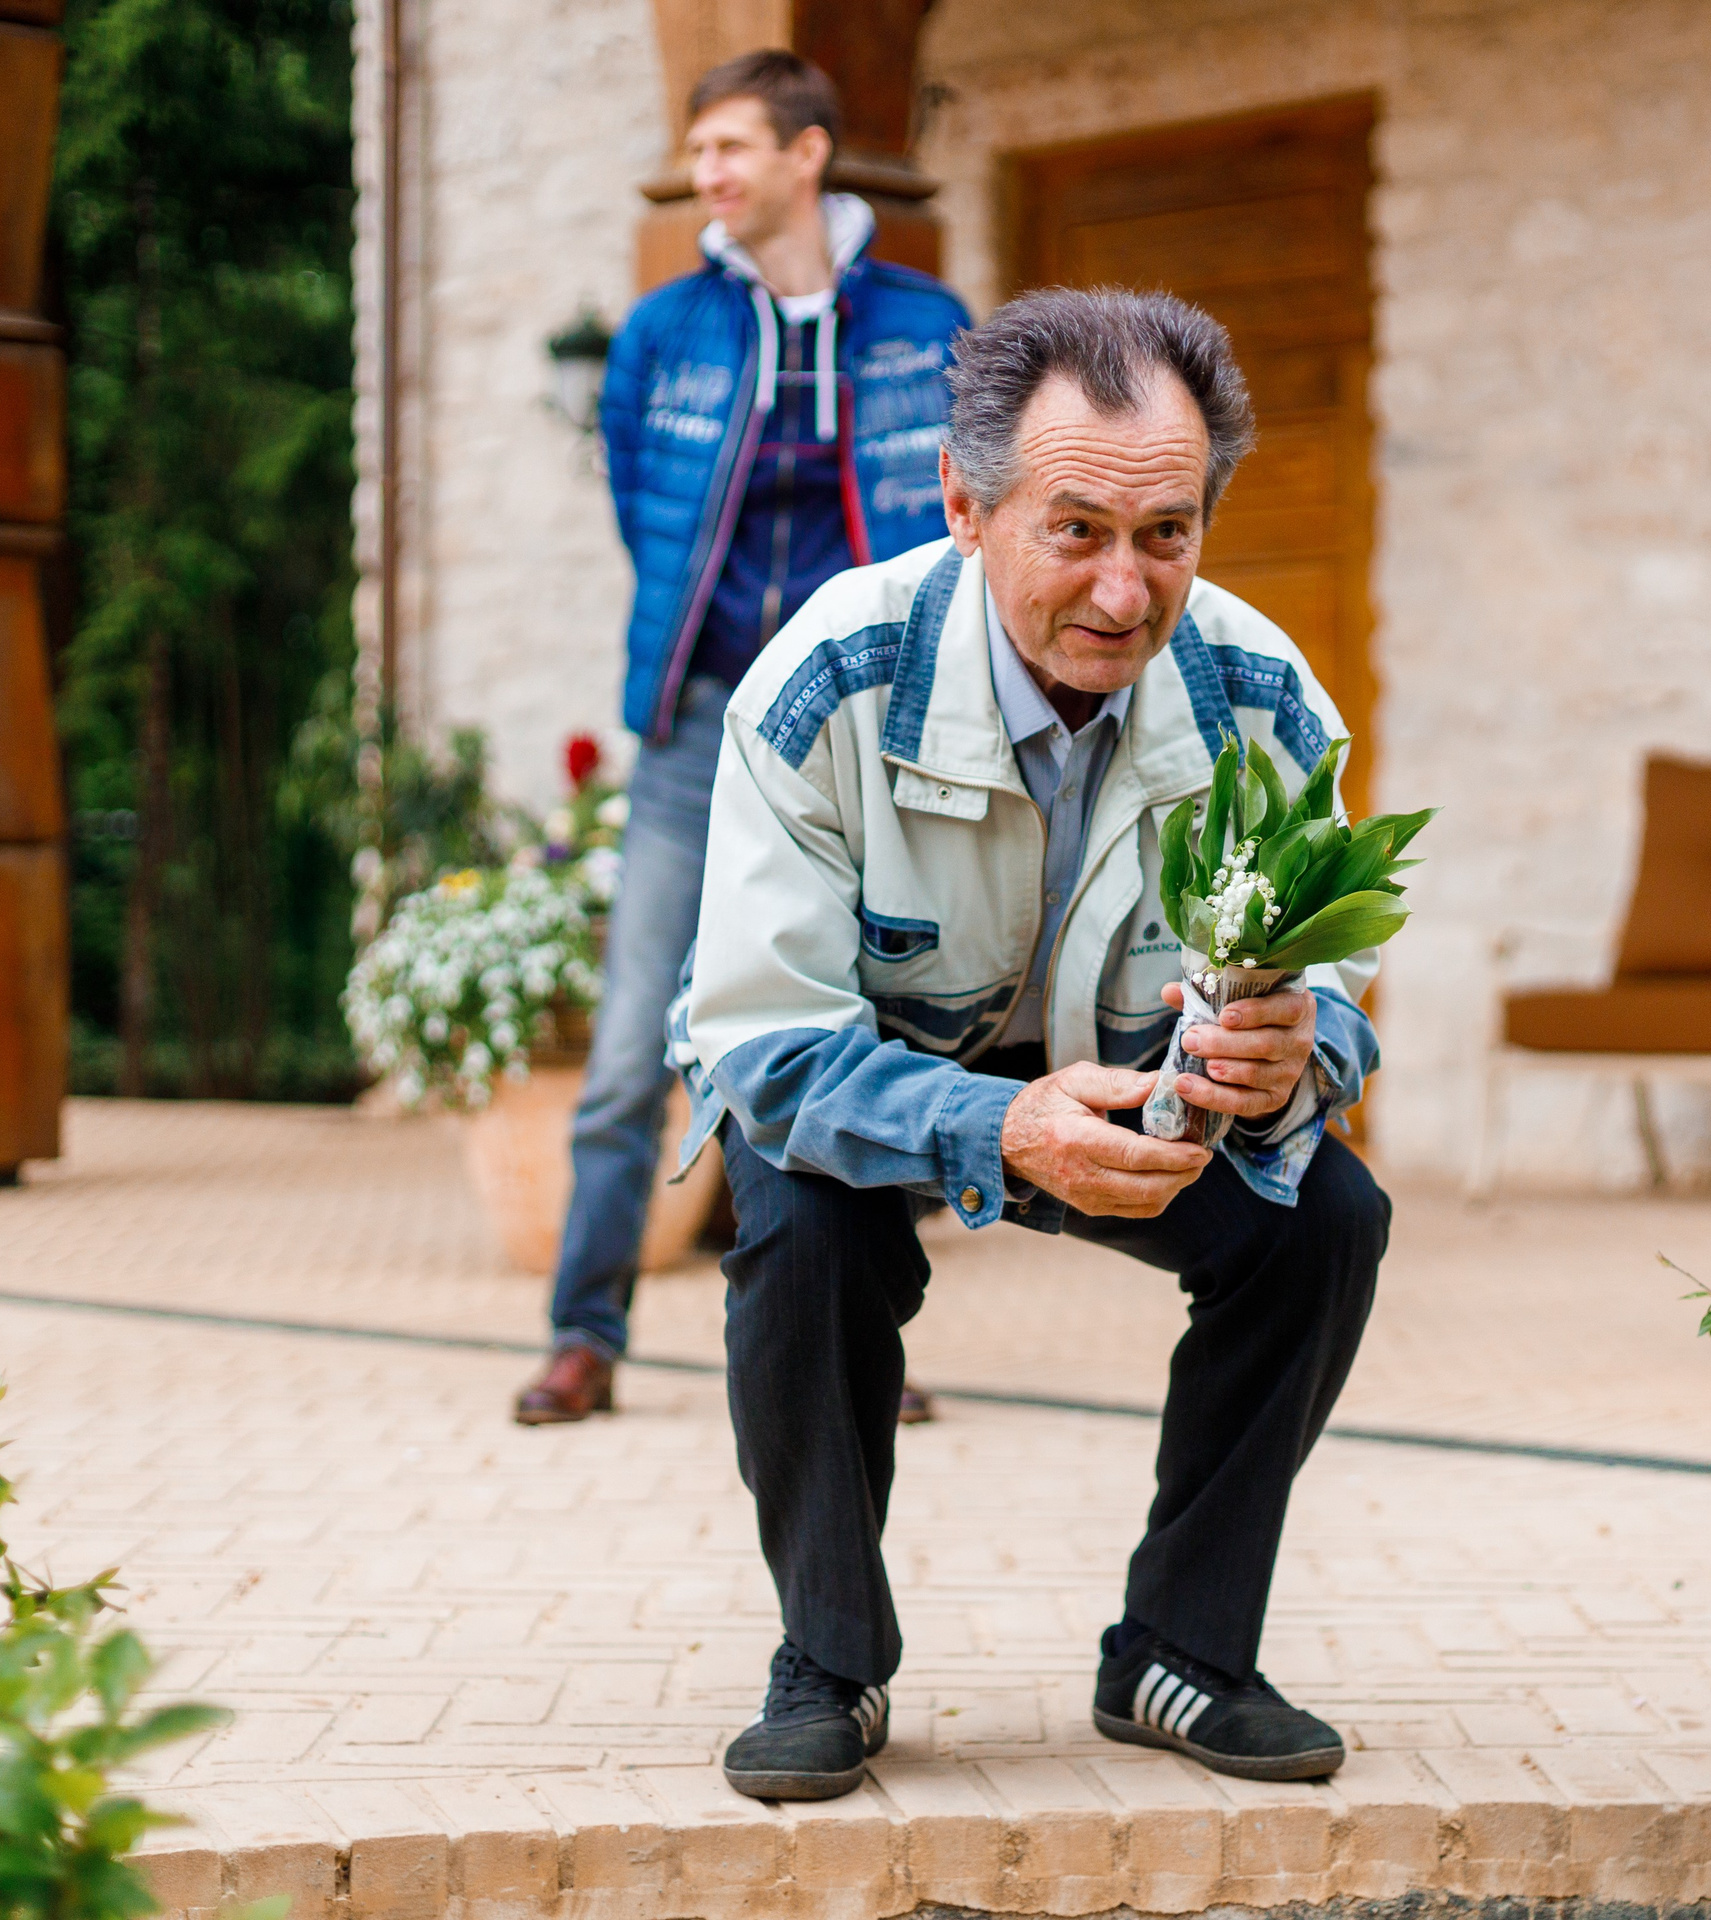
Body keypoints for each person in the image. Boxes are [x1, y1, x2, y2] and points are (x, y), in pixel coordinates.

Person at [670, 288, 1391, 1800]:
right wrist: (994, 1128)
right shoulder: (826, 683)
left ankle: (1180, 1656)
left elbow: (1339, 975)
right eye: (1076, 531)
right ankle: (832, 1660)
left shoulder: (1264, 698)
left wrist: (1297, 1055)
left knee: (1323, 1220)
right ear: (967, 506)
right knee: (793, 1215)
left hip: (1133, 1093)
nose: (1126, 592)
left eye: (1168, 536)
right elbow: (765, 1042)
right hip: (867, 1103)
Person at [513, 50, 967, 1425]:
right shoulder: (663, 331)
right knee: (624, 1052)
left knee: (869, 1031)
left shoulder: (928, 324)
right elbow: (647, 513)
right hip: (697, 728)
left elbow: (967, 501)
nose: (704, 173)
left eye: (727, 147)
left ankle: (861, 1349)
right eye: (697, 151)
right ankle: (584, 1338)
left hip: (858, 735)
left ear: (806, 153)